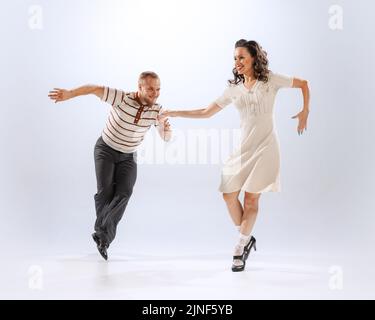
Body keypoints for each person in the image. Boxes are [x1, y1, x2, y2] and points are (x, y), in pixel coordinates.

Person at [159, 40, 310, 272]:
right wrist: (175, 113)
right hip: (243, 149)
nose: (237, 62)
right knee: (229, 195)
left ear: (253, 58)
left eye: (241, 57)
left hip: (266, 148)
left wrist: (305, 112)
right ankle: (246, 236)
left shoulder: (270, 80)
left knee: (251, 200)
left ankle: (239, 249)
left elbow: (303, 83)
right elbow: (206, 112)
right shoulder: (233, 90)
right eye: (235, 58)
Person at [48, 71, 172, 260]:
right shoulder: (122, 98)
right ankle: (103, 236)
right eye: (150, 89)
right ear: (139, 88)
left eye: (158, 89)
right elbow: (94, 89)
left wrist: (165, 129)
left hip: (129, 156)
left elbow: (166, 137)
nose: (155, 93)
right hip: (106, 149)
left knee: (124, 192)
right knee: (105, 194)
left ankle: (102, 236)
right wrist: (69, 94)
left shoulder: (157, 110)